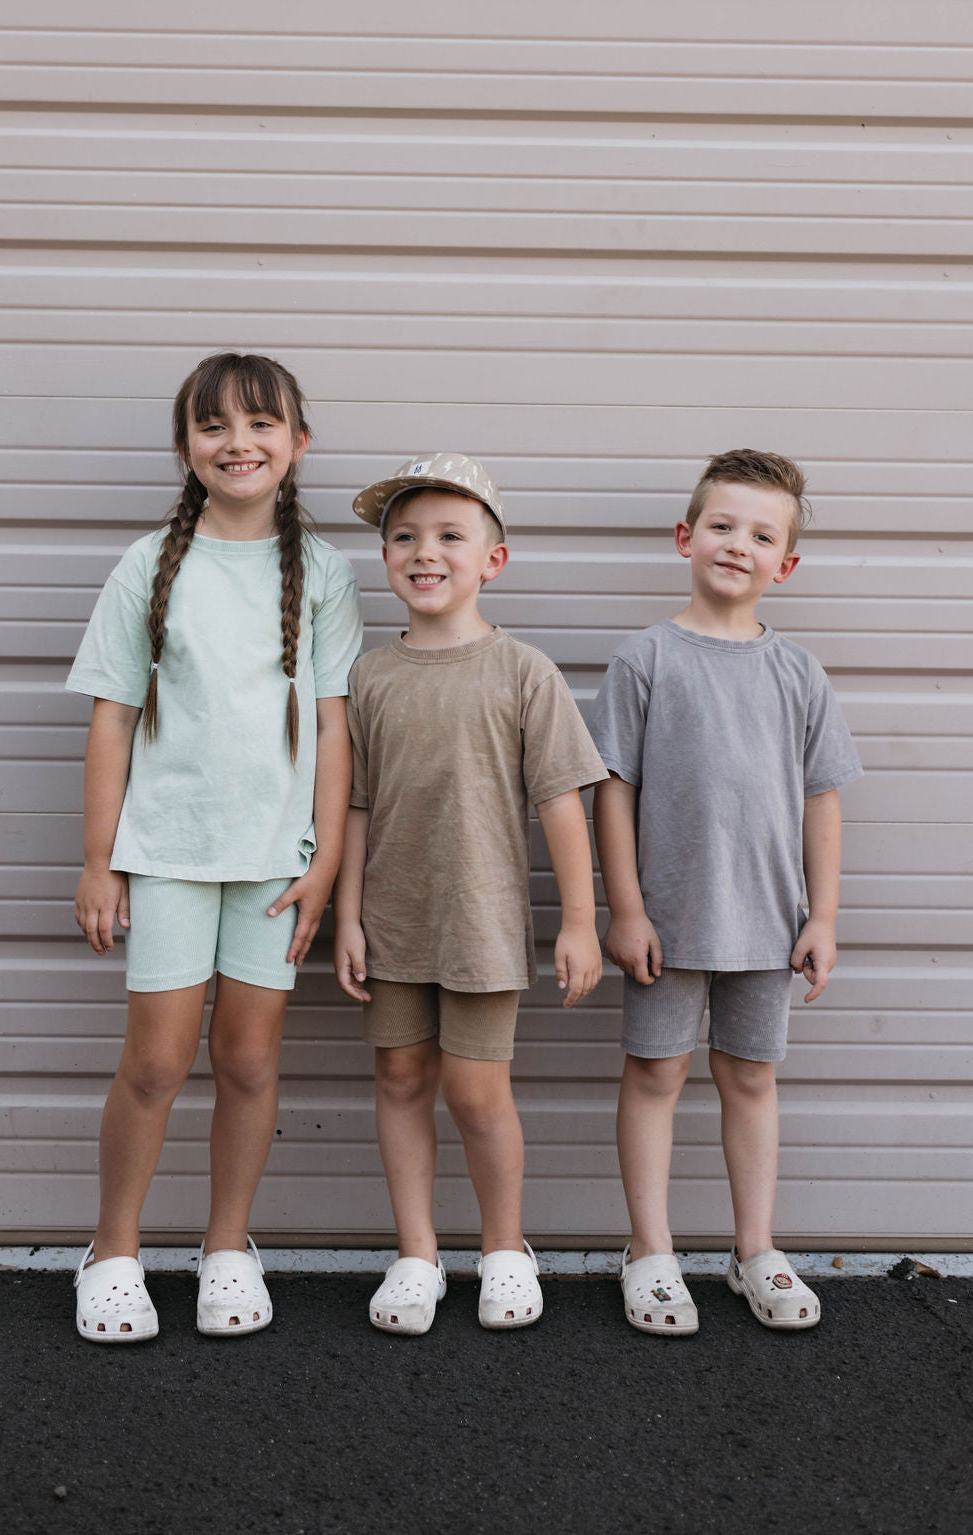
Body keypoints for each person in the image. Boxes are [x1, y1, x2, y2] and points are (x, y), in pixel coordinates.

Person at [66, 353, 361, 1343]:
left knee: (245, 1056)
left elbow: (332, 725)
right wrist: (100, 857)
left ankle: (227, 1242)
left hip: (276, 862)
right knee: (154, 1061)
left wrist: (321, 859)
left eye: (260, 423)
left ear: (297, 443)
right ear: (186, 448)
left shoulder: (320, 571)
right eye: (213, 426)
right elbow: (112, 720)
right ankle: (112, 1250)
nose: (238, 442)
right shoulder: (149, 563)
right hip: (168, 852)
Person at [591, 449, 862, 1333]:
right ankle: (652, 1249)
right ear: (685, 537)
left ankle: (755, 1250)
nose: (736, 544)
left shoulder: (799, 674)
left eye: (760, 533)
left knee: (750, 1079)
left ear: (784, 563)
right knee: (657, 1074)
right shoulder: (644, 660)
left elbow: (821, 802)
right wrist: (623, 907)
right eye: (721, 524)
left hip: (769, 922)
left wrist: (822, 914)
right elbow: (613, 789)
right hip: (667, 922)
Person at [334, 453, 606, 1334]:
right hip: (393, 920)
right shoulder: (368, 679)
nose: (426, 552)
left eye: (451, 535)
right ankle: (417, 1253)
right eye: (405, 537)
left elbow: (563, 802)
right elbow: (354, 806)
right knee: (402, 1076)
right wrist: (346, 918)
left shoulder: (524, 671)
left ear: (493, 558)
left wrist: (579, 921)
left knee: (478, 1093)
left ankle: (502, 1246)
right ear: (384, 559)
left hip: (484, 924)